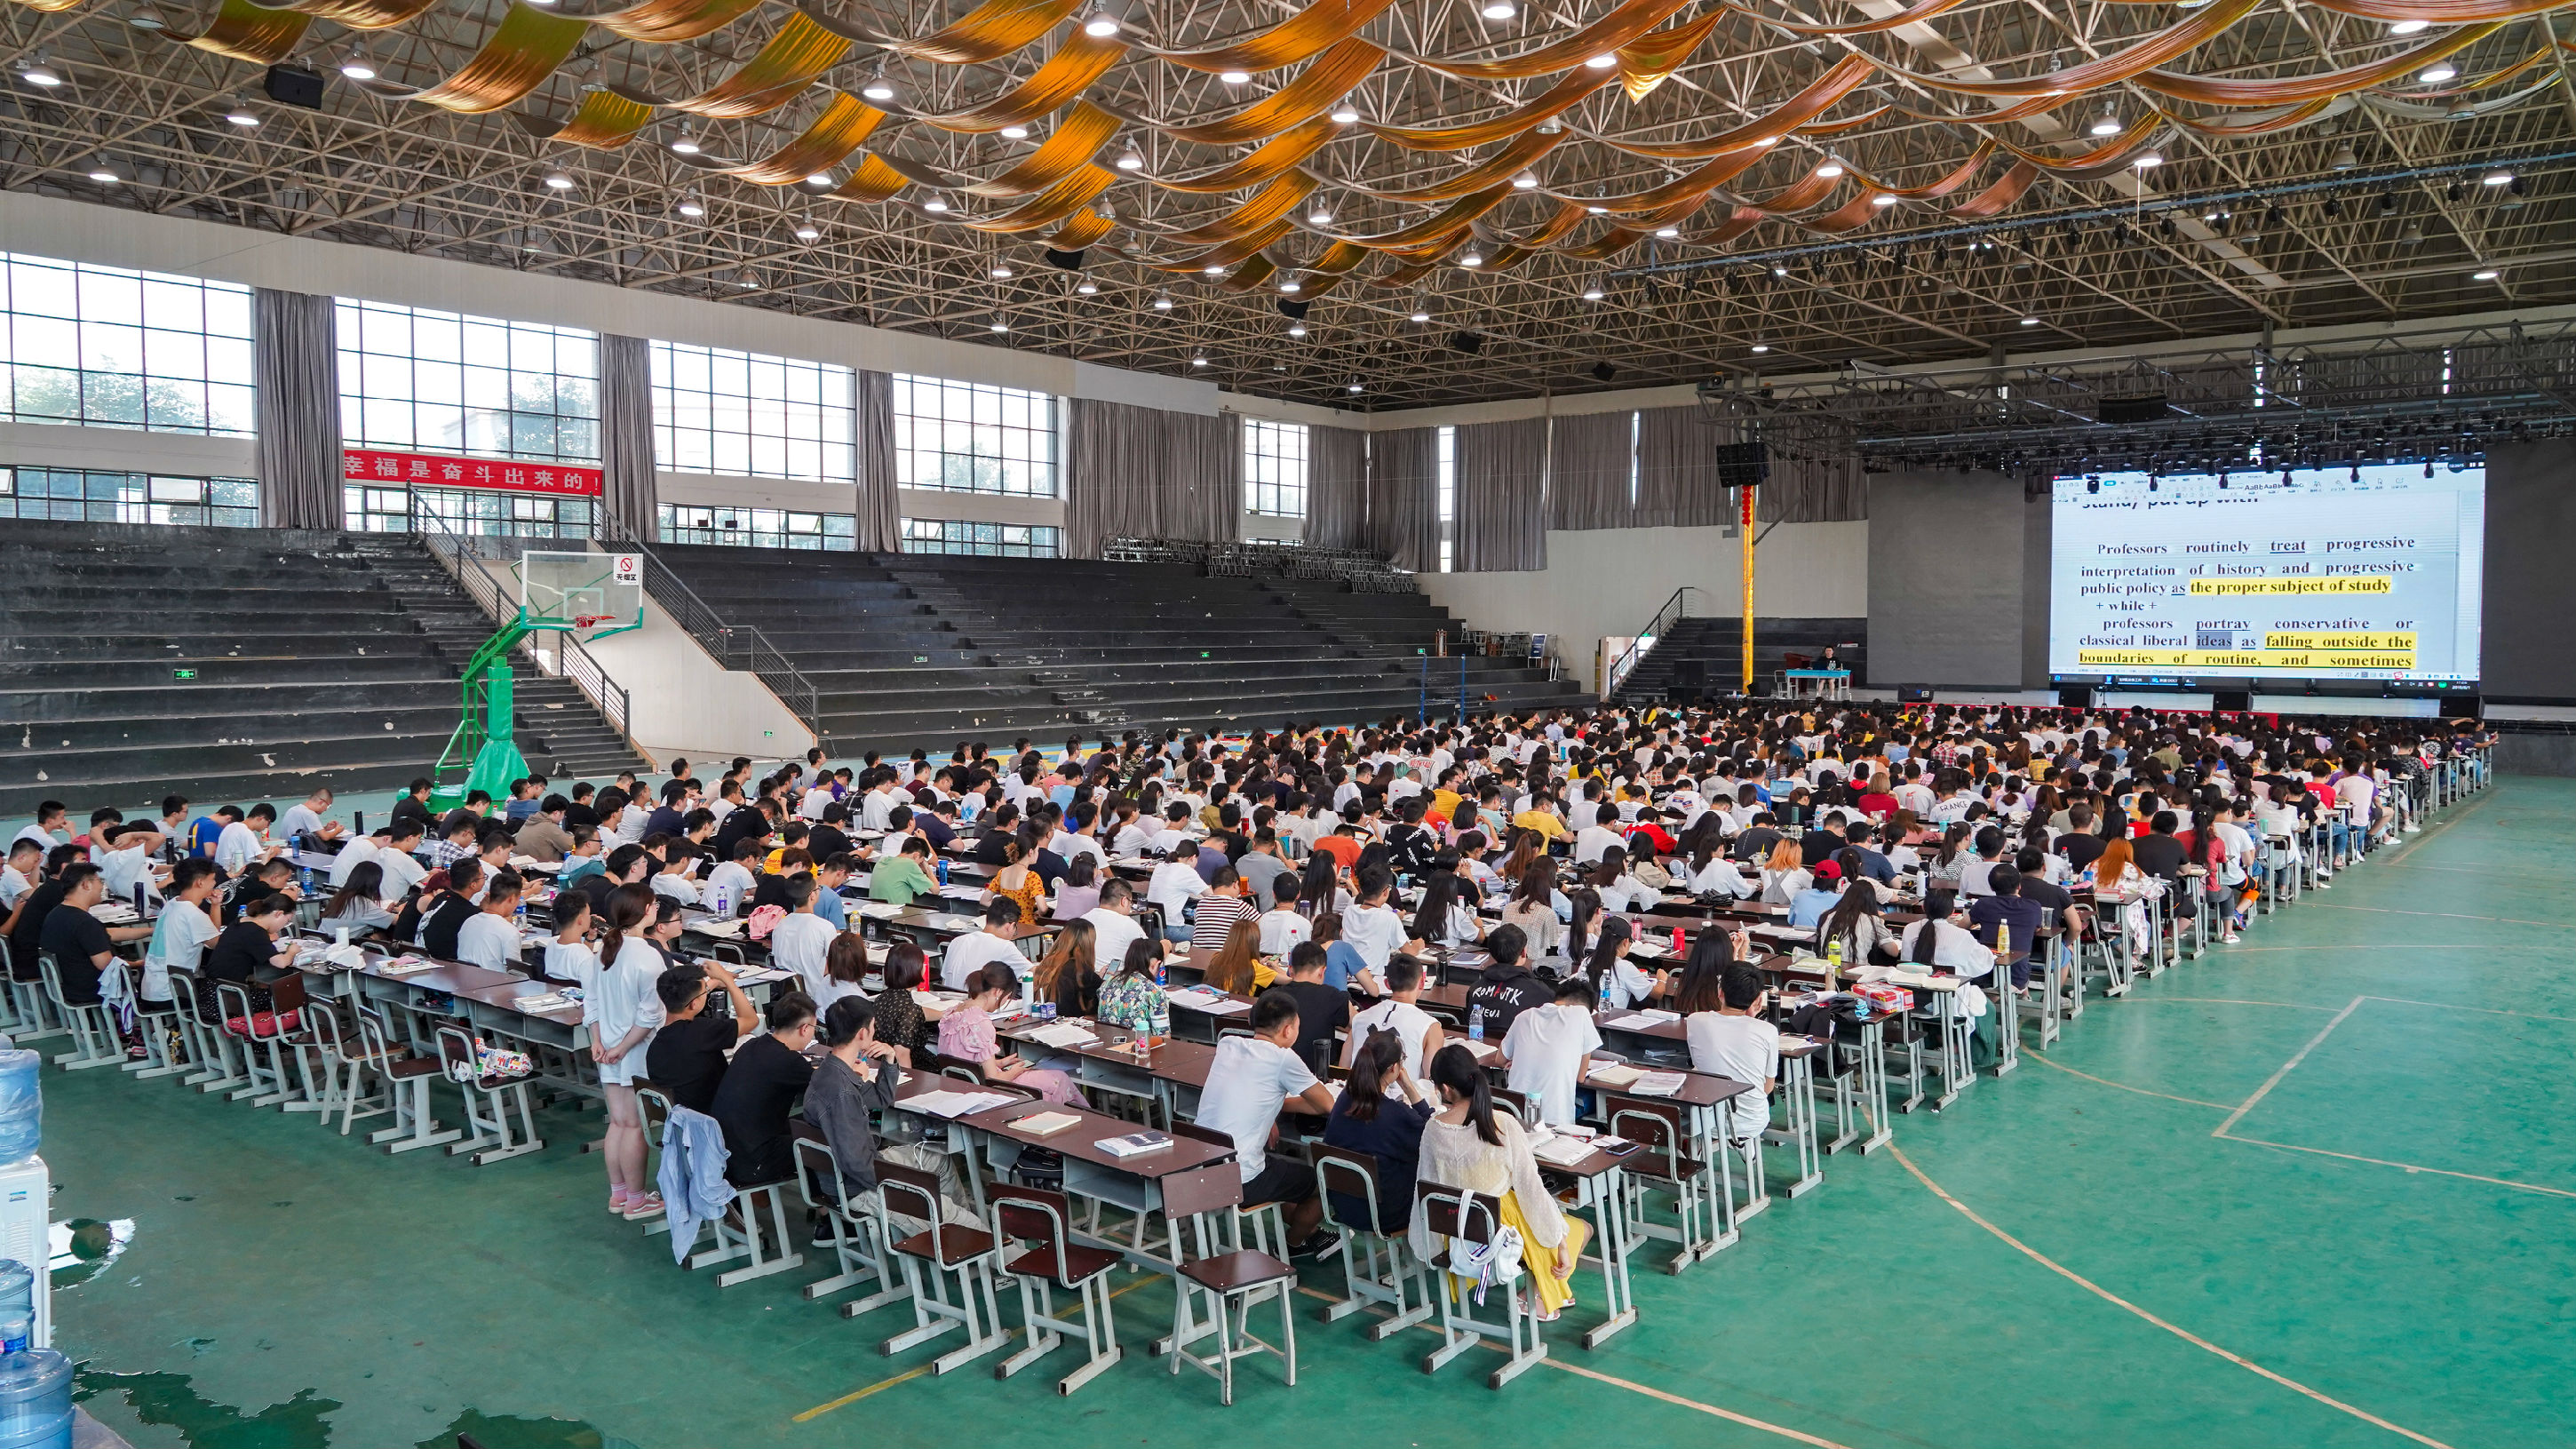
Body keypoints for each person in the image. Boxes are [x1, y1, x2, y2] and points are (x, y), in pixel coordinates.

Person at [1411, 1043, 1585, 1322]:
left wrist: (1429, 1246)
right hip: (1500, 1230)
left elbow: (1425, 1187)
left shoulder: (1433, 1128)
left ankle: (1541, 1293)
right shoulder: (1503, 1123)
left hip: (1454, 1228)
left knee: (1555, 1227)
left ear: (1444, 1089)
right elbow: (1531, 1189)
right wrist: (1559, 1241)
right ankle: (1535, 1295)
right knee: (1579, 1228)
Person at [1194, 988, 1340, 1255]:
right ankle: (1293, 1244)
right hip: (1241, 1177)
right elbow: (1327, 1104)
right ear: (1288, 1030)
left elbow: (1248, 1091)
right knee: (1328, 1182)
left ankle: (1308, 1232)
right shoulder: (1283, 1058)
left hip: (1203, 1164)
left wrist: (1271, 1106)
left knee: (1282, 1168)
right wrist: (1274, 1105)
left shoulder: (1228, 1044)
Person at [582, 887, 670, 1218]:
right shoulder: (646, 955)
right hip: (634, 1051)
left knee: (618, 1123)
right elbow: (650, 1015)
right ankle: (636, 1200)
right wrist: (621, 1047)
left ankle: (619, 1195)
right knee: (633, 1126)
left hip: (607, 1048)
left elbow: (590, 1002)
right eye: (655, 904)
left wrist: (598, 1041)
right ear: (646, 910)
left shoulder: (604, 948)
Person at [1322, 1028, 1435, 1234]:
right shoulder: (1396, 1114)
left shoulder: (1344, 1098)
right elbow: (1432, 1134)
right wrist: (1409, 1088)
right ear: (1394, 1068)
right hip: (1386, 1213)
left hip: (1344, 1205)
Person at [710, 991, 819, 1187]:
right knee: (822, 1142)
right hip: (754, 1161)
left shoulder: (751, 1045)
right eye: (814, 1028)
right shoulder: (790, 1062)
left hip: (723, 1152)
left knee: (803, 1125)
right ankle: (826, 1203)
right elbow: (831, 1087)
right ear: (805, 1029)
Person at [938, 962, 1085, 1105]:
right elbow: (993, 1079)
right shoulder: (981, 1023)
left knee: (1051, 1084)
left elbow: (965, 1059)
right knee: (1059, 1078)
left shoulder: (952, 1013)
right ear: (997, 992)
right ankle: (1083, 1118)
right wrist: (1014, 1071)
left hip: (960, 1087)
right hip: (988, 1091)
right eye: (1007, 997)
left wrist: (999, 1063)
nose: (1006, 1001)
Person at [1682, 963, 1779, 1154]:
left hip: (1706, 1117)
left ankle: (1711, 1145)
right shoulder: (1768, 1031)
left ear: (1720, 992)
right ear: (1758, 999)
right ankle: (1739, 1142)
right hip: (1751, 1120)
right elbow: (1767, 1088)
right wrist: (1750, 1017)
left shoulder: (1695, 1020)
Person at [643, 958, 757, 1114]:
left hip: (683, 1118)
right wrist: (727, 980)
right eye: (705, 992)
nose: (707, 993)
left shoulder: (656, 1045)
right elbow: (751, 1020)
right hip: (717, 1116)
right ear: (694, 1004)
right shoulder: (702, 1030)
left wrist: (714, 981)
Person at [40, 863, 151, 1010]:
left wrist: (151, 931)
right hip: (93, 989)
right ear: (86, 885)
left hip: (70, 986)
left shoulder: (56, 914)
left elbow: (104, 934)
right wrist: (138, 963)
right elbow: (106, 965)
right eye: (100, 882)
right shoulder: (85, 923)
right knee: (152, 977)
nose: (102, 887)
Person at [1500, 975, 1602, 1129]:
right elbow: (1580, 1077)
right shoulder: (1581, 1013)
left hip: (1515, 1116)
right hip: (1554, 1121)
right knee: (1596, 1105)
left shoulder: (1524, 1016)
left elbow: (1500, 1060)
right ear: (1579, 1006)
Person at [196, 891, 301, 1024]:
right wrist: (292, 951)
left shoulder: (239, 922)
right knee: (293, 997)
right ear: (278, 914)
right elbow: (280, 963)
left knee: (266, 988)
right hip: (228, 1000)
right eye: (287, 920)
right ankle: (285, 1035)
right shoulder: (256, 931)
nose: (284, 925)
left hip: (211, 995)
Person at [1344, 951, 1443, 1080]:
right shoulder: (1431, 1027)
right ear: (1422, 983)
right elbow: (1431, 1082)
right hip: (1405, 1093)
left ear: (1387, 984)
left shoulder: (1359, 1019)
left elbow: (1343, 1073)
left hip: (1358, 1092)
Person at [143, 858, 223, 1008]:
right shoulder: (192, 913)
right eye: (212, 879)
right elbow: (217, 944)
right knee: (225, 994)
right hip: (174, 992)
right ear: (200, 882)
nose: (214, 883)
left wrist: (215, 905)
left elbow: (210, 933)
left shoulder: (172, 904)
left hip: (153, 988)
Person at [1279, 941, 1349, 1071]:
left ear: (1290, 970)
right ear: (1322, 971)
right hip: (1318, 1074)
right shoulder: (1332, 996)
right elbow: (1358, 1024)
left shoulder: (1270, 996)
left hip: (1276, 1071)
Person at [767, 873, 839, 999]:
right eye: (819, 888)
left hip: (785, 996)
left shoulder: (780, 925)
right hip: (815, 997)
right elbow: (832, 968)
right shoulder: (825, 927)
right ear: (812, 895)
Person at [939, 899, 1027, 991]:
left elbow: (944, 977)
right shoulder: (1005, 946)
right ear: (1011, 926)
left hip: (948, 998)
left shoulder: (957, 941)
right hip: (974, 999)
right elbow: (1034, 974)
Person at [453, 869, 525, 971]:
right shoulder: (509, 931)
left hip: (463, 978)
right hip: (493, 980)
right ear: (512, 898)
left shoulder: (469, 921)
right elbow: (516, 972)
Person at [1032, 918, 1101, 1019]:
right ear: (1089, 944)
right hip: (1071, 1023)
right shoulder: (1082, 971)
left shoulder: (1047, 962)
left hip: (1045, 1019)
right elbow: (1104, 995)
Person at [317, 861, 398, 936]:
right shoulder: (363, 904)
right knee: (382, 936)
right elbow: (397, 921)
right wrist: (402, 910)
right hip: (341, 944)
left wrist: (385, 914)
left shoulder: (340, 897)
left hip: (323, 941)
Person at [1197, 915, 1268, 997]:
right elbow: (1282, 980)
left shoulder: (1216, 958)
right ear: (1255, 941)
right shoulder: (1256, 967)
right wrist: (1275, 967)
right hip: (1241, 1003)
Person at [867, 837, 938, 905]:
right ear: (916, 855)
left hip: (874, 909)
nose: (919, 865)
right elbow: (936, 890)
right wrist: (928, 869)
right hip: (895, 911)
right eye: (921, 861)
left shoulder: (882, 861)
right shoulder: (910, 865)